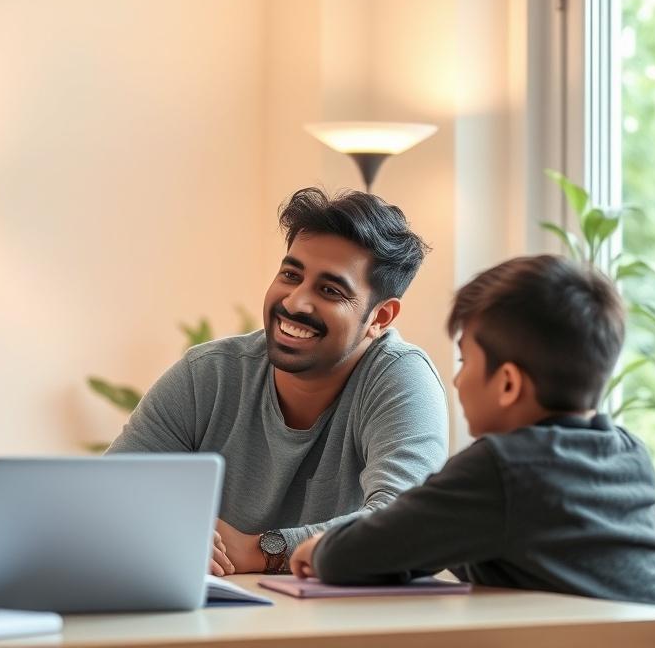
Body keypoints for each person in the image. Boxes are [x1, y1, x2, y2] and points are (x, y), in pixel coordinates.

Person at [290, 255, 655, 607]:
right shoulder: (631, 455)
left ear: (508, 384)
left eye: (465, 360)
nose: (457, 380)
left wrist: (320, 549)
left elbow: (364, 551)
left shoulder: (502, 468)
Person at [108, 187, 448, 575]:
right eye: (291, 275)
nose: (295, 302)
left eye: (330, 290)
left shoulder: (400, 379)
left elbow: (410, 525)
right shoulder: (209, 373)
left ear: (381, 317)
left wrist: (262, 551)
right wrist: (163, 531)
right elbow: (109, 496)